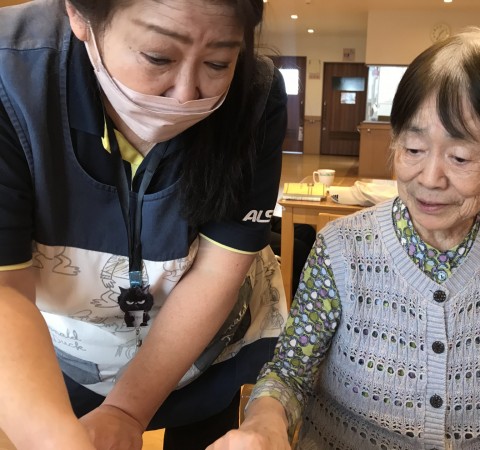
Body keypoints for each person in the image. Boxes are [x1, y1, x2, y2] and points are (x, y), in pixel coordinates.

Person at [210, 28, 480, 450]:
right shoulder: (342, 248)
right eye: (413, 149)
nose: (429, 178)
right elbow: (289, 372)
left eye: (460, 157)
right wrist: (264, 425)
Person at [0, 0, 288, 449]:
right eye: (158, 57)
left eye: (218, 63)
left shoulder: (255, 93)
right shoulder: (12, 77)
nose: (186, 94)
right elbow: (6, 293)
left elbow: (216, 272)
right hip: (73, 348)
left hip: (204, 346)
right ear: (79, 15)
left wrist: (127, 410)